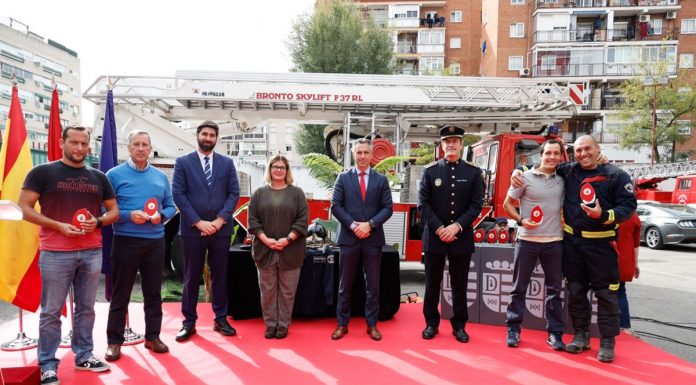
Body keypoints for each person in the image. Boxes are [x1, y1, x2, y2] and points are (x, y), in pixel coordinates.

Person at [513, 135, 636, 362]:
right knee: (576, 293)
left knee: (606, 295)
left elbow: (628, 206)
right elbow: (543, 165)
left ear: (598, 149)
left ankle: (608, 342)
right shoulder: (569, 170)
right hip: (573, 245)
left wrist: (605, 215)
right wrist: (518, 171)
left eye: (588, 149)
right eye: (578, 150)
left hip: (602, 245)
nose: (583, 154)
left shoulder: (617, 175)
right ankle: (581, 336)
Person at [18, 126, 119, 385]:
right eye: (74, 142)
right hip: (55, 252)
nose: (80, 148)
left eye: (84, 143)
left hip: (91, 251)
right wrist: (58, 226)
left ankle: (84, 355)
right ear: (62, 142)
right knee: (51, 311)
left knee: (86, 308)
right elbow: (25, 209)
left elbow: (113, 212)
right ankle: (48, 364)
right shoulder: (42, 172)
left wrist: (97, 222)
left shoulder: (99, 177)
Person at [104, 130, 177, 361]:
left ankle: (152, 337)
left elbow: (170, 206)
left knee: (154, 293)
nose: (141, 148)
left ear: (150, 148)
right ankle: (114, 341)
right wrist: (127, 215)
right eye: (136, 144)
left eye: (145, 144)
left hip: (155, 242)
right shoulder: (113, 175)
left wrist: (162, 216)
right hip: (125, 240)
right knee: (120, 293)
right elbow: (104, 211)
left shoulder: (160, 177)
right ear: (128, 147)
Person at [172, 120, 240, 341]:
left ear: (216, 139)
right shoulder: (183, 162)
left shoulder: (227, 163)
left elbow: (233, 194)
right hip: (193, 230)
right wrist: (199, 222)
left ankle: (220, 319)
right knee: (191, 277)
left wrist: (220, 221)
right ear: (198, 135)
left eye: (212, 135)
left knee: (220, 275)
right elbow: (178, 195)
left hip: (221, 230)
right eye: (205, 134)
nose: (208, 138)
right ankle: (189, 323)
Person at [418, 125, 484, 343]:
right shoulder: (430, 172)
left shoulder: (473, 173)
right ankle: (431, 324)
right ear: (441, 145)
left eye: (455, 141)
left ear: (461, 144)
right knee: (432, 284)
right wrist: (440, 228)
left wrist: (456, 227)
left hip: (461, 237)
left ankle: (459, 325)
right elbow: (423, 205)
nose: (451, 145)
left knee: (459, 284)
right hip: (435, 238)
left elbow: (476, 205)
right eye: (447, 141)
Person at [503, 139, 566, 351]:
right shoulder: (524, 177)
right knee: (518, 289)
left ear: (560, 156)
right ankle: (513, 329)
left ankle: (555, 334)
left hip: (554, 242)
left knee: (554, 291)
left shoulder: (564, 179)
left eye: (556, 154)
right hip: (527, 241)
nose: (552, 157)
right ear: (541, 155)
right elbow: (506, 204)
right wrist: (521, 220)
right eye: (548, 153)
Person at [330, 138, 393, 341]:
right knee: (344, 285)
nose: (363, 156)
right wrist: (354, 225)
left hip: (372, 239)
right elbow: (336, 206)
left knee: (372, 286)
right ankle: (342, 324)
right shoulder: (343, 178)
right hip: (349, 238)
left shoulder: (381, 180)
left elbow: (388, 208)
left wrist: (370, 225)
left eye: (366, 153)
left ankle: (372, 325)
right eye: (359, 153)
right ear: (353, 154)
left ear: (372, 154)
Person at [248, 154, 308, 339]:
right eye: (275, 167)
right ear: (270, 169)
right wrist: (266, 240)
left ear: (287, 171)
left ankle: (283, 324)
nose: (279, 170)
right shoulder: (258, 193)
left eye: (282, 167)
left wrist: (287, 240)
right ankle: (270, 324)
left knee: (288, 292)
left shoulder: (297, 193)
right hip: (264, 250)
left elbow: (302, 220)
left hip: (291, 250)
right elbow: (253, 220)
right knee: (267, 291)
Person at [617, 212, 641, 334]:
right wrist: (635, 265)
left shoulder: (606, 212)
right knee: (621, 292)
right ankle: (625, 326)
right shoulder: (633, 216)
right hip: (625, 262)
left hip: (607, 259)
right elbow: (636, 245)